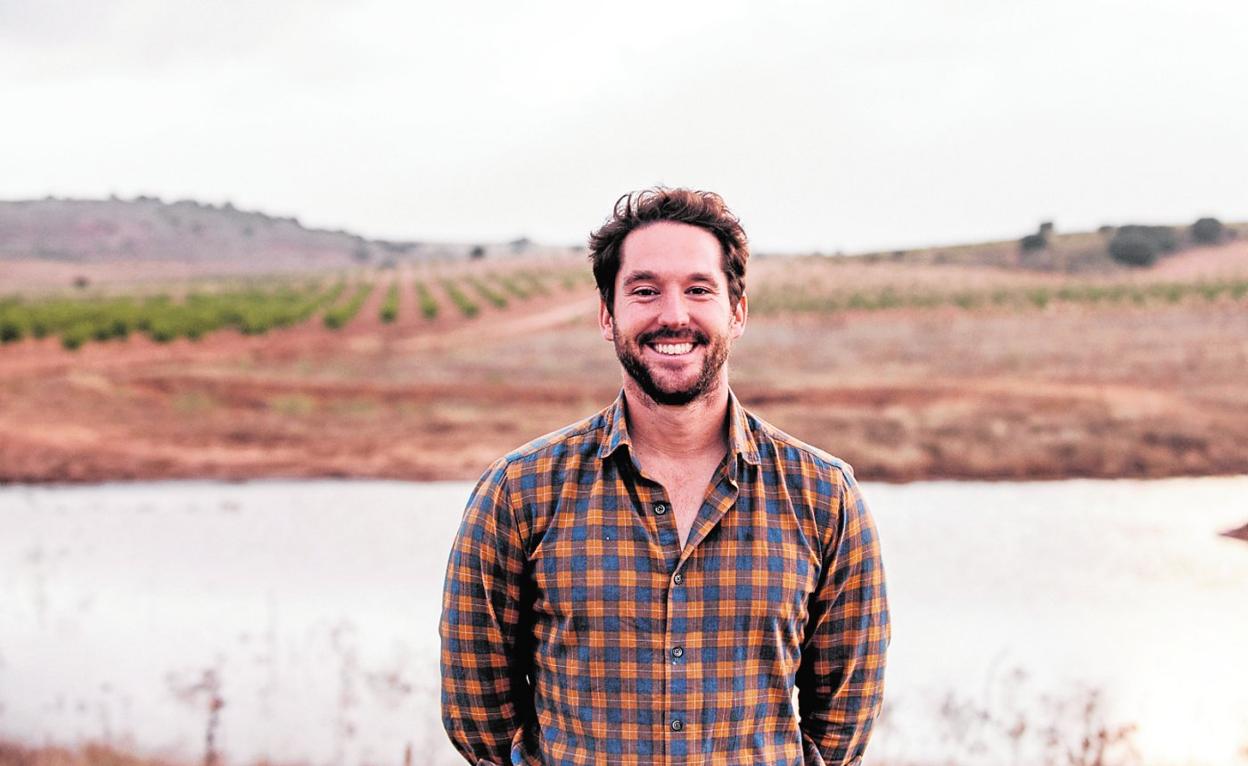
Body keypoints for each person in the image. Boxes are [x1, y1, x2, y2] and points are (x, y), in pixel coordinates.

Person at [440, 188, 889, 766]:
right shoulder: (519, 493)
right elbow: (478, 710)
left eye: (698, 289)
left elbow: (844, 717)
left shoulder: (825, 497)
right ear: (608, 314)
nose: (673, 314)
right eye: (645, 291)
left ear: (737, 311)